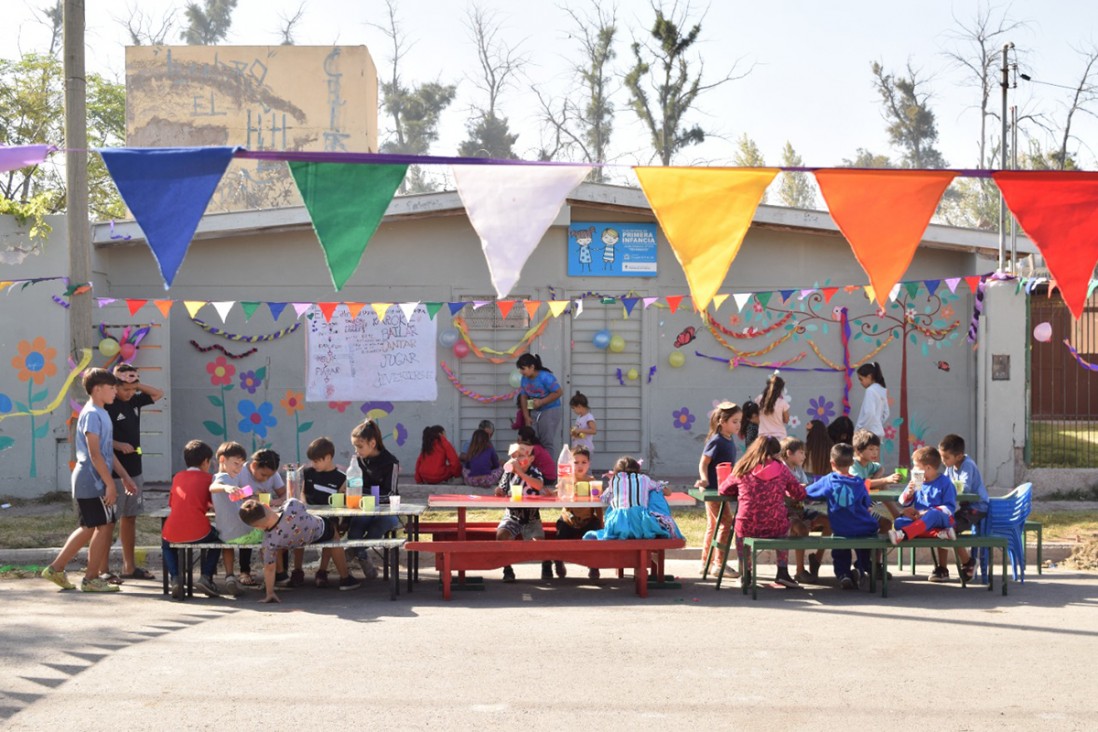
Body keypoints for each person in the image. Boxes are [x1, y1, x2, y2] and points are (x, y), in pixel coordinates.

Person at [41, 369, 136, 593]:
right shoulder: (92, 413)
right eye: (111, 387)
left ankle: (56, 569)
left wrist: (124, 476)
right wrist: (110, 484)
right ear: (97, 389)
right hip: (91, 480)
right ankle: (91, 578)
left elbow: (107, 453)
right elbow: (94, 454)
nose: (115, 391)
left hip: (95, 479)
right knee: (102, 527)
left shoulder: (102, 413)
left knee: (90, 526)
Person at [718, 436, 807, 589]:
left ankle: (745, 572)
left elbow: (723, 489)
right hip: (775, 525)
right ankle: (783, 572)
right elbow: (799, 493)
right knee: (783, 525)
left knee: (740, 529)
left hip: (748, 525)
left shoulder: (743, 467)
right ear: (776, 453)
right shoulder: (782, 469)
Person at [104, 362, 163, 581]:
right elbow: (96, 440)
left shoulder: (135, 400)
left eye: (132, 390)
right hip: (114, 471)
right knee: (109, 520)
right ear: (114, 386)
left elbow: (158, 393)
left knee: (130, 517)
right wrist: (117, 445)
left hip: (134, 469)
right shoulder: (107, 406)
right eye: (124, 389)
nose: (129, 394)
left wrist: (135, 384)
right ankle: (104, 568)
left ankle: (129, 567)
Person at [239, 497, 361, 603]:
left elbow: (269, 568)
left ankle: (290, 573)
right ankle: (345, 578)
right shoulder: (292, 505)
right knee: (334, 535)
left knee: (285, 543)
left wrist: (270, 593)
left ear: (257, 527)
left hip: (295, 542)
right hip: (321, 531)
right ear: (266, 506)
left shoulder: (269, 541)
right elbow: (303, 508)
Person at [806, 443, 882, 590]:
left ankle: (843, 574)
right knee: (866, 544)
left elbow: (808, 493)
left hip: (841, 528)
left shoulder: (828, 480)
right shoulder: (859, 482)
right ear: (852, 462)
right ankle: (862, 567)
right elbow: (867, 503)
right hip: (865, 527)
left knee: (840, 548)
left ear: (832, 462)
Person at [888, 447, 959, 584]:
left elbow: (950, 508)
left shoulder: (945, 483)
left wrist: (927, 513)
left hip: (941, 518)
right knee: (899, 522)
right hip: (921, 521)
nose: (913, 470)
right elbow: (903, 502)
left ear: (927, 468)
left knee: (932, 513)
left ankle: (902, 535)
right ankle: (939, 534)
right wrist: (908, 493)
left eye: (916, 466)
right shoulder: (917, 482)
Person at [161, 440, 222, 599]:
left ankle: (175, 577)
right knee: (219, 540)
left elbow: (172, 503)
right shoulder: (209, 479)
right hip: (199, 530)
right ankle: (206, 576)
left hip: (172, 529)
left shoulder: (177, 477)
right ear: (205, 462)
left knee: (167, 545)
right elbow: (215, 504)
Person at [345, 419, 401, 581]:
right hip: (364, 509)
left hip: (386, 510)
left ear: (373, 443)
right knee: (357, 525)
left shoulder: (391, 463)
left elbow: (390, 493)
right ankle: (361, 555)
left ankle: (357, 550)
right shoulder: (358, 461)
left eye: (360, 446)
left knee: (385, 522)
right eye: (354, 446)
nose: (357, 450)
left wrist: (364, 495)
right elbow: (354, 485)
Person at [585, 456, 682, 541]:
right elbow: (661, 488)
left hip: (618, 524)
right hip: (640, 524)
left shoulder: (614, 480)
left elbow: (605, 498)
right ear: (638, 469)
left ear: (615, 471)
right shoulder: (644, 479)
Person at [694, 402, 741, 578]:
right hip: (714, 491)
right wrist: (705, 479)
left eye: (739, 421)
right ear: (722, 421)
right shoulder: (716, 440)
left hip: (723, 490)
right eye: (735, 421)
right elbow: (703, 463)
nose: (738, 425)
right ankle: (719, 564)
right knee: (726, 524)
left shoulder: (729, 439)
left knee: (713, 525)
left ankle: (706, 562)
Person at [210, 441, 263, 594]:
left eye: (241, 465)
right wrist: (226, 487)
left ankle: (229, 576)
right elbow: (213, 487)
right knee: (270, 533)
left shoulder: (231, 478)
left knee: (227, 544)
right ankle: (272, 573)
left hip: (226, 535)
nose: (238, 468)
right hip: (244, 533)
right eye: (235, 464)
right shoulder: (222, 477)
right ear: (222, 460)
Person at [937, 434, 988, 582]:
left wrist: (947, 488)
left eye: (946, 457)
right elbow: (945, 482)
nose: (943, 461)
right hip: (966, 507)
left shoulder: (967, 465)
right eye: (941, 457)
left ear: (959, 456)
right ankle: (942, 569)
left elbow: (964, 488)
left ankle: (969, 562)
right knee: (941, 525)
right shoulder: (951, 467)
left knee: (948, 529)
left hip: (976, 507)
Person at [494, 442, 546, 583]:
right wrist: (499, 491)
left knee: (539, 544)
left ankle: (547, 564)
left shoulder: (534, 472)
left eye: (521, 456)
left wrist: (521, 473)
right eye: (514, 456)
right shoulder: (508, 473)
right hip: (513, 515)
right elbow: (501, 489)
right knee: (501, 535)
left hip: (531, 517)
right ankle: (507, 569)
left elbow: (539, 485)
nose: (517, 460)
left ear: (531, 459)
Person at [781, 436, 830, 583]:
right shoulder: (781, 469)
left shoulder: (799, 469)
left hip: (801, 509)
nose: (804, 456)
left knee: (830, 522)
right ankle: (800, 571)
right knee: (801, 529)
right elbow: (783, 490)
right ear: (789, 453)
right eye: (801, 452)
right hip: (786, 512)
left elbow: (805, 489)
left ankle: (816, 559)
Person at [300, 436, 347, 588]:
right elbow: (303, 493)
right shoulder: (308, 472)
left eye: (316, 461)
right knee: (296, 530)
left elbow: (342, 501)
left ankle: (322, 571)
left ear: (328, 457)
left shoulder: (341, 478)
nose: (313, 464)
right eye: (311, 461)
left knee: (332, 532)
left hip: (329, 517)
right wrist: (305, 507)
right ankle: (297, 570)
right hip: (308, 515)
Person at [554, 446, 603, 580]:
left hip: (587, 520)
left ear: (589, 464)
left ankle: (594, 566)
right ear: (570, 464)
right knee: (560, 534)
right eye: (576, 462)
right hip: (569, 519)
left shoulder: (592, 482)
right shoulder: (566, 480)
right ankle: (558, 562)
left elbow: (598, 506)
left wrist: (601, 521)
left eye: (584, 462)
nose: (580, 466)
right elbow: (557, 498)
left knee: (595, 533)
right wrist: (558, 491)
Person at [516, 353, 563, 457]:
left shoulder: (545, 377)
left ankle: (549, 469)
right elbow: (523, 397)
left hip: (550, 409)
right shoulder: (524, 379)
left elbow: (559, 392)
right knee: (533, 439)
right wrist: (526, 416)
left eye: (523, 369)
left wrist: (542, 402)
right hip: (534, 410)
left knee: (546, 440)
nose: (521, 372)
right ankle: (536, 468)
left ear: (532, 367)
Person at [854, 361, 889, 438]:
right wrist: (877, 424)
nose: (860, 382)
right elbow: (886, 413)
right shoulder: (882, 389)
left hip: (867, 435)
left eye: (861, 379)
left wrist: (860, 430)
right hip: (878, 433)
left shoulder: (870, 390)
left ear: (869, 377)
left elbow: (869, 413)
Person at [756, 372, 790, 439]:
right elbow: (786, 420)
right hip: (779, 436)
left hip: (763, 436)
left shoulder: (759, 399)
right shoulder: (783, 403)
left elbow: (756, 414)